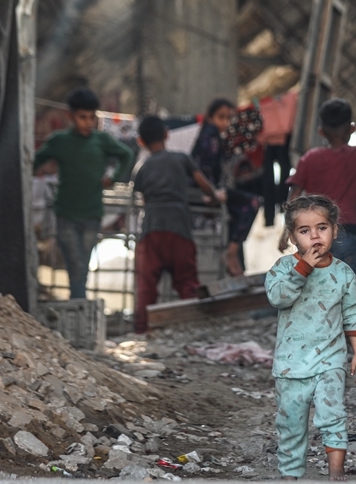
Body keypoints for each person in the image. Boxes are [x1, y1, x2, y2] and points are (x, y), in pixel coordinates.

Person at [265, 194, 356, 481]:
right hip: (290, 365)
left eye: (322, 228)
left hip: (330, 360)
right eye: (304, 231)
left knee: (332, 414)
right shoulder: (283, 269)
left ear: (334, 230)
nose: (315, 236)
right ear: (292, 237)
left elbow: (352, 314)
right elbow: (278, 298)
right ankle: (291, 476)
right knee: (291, 424)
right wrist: (302, 270)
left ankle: (336, 472)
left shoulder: (343, 274)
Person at [33, 88, 134, 299]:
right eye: (82, 117)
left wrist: (112, 178)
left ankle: (78, 307)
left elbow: (126, 155)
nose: (88, 122)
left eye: (91, 117)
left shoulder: (101, 141)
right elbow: (34, 161)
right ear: (70, 116)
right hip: (66, 215)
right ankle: (79, 306)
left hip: (92, 215)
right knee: (76, 265)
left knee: (82, 267)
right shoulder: (59, 141)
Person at [132, 116, 223, 334]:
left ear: (141, 142)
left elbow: (142, 200)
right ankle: (193, 327)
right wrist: (215, 198)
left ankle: (142, 330)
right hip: (179, 227)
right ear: (166, 134)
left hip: (151, 229)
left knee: (146, 285)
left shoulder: (142, 169)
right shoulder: (181, 159)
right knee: (187, 281)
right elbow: (204, 185)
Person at [285, 98, 356, 272]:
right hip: (348, 233)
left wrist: (294, 229)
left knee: (316, 288)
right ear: (352, 129)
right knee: (344, 289)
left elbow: (294, 196)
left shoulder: (310, 158)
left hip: (314, 237)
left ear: (321, 132)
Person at [191, 97, 262, 276]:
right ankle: (230, 253)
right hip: (208, 192)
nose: (224, 122)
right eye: (220, 117)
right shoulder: (211, 137)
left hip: (212, 190)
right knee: (252, 204)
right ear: (210, 118)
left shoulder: (214, 137)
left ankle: (232, 252)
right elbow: (203, 168)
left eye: (228, 118)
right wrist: (213, 193)